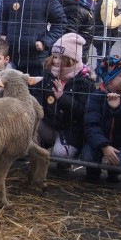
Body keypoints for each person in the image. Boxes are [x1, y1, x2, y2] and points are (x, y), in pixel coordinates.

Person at [0, 0, 67, 77]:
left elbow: (60, 23)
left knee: (34, 95)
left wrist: (45, 42)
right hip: (12, 60)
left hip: (36, 61)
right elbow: (2, 21)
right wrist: (2, 37)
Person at [37, 33, 96, 170]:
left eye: (61, 58)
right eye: (55, 57)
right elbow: (38, 96)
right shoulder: (48, 75)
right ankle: (40, 149)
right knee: (27, 128)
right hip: (50, 124)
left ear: (72, 59)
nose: (56, 61)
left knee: (60, 155)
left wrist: (63, 98)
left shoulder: (85, 83)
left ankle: (71, 151)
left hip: (72, 130)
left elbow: (85, 112)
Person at [83, 56, 121, 183]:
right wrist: (104, 146)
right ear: (109, 80)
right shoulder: (96, 97)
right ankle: (93, 171)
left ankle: (114, 173)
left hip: (120, 143)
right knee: (88, 156)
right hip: (97, 143)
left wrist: (118, 110)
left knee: (119, 162)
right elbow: (91, 126)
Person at [58, 0, 99, 64]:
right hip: (73, 59)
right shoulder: (76, 9)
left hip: (79, 56)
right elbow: (68, 37)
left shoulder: (85, 6)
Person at [92, 0, 121, 68]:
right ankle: (99, 79)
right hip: (103, 33)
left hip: (98, 32)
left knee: (102, 57)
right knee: (103, 59)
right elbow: (109, 23)